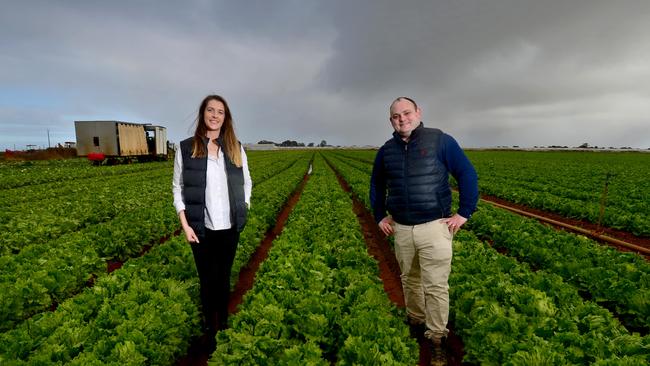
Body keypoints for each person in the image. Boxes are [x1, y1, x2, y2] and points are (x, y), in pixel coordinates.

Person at [370, 96, 478, 365]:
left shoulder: (440, 140)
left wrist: (464, 213)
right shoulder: (386, 150)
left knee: (436, 285)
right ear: (390, 121)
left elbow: (467, 174)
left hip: (434, 227)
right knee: (409, 279)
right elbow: (376, 185)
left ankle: (438, 337)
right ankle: (417, 322)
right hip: (402, 228)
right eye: (396, 116)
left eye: (406, 113)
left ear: (418, 112)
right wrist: (380, 215)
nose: (402, 119)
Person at [172, 94, 252, 345]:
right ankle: (210, 329)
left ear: (225, 118)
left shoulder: (235, 147)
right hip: (200, 229)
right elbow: (178, 188)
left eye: (220, 112)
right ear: (203, 113)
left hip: (229, 227)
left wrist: (244, 207)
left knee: (223, 277)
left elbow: (247, 182)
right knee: (207, 280)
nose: (215, 115)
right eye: (210, 110)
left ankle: (223, 321)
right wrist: (185, 226)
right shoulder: (186, 148)